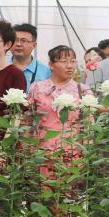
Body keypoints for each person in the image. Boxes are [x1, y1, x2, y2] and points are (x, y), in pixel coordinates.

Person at [26, 45, 91, 177]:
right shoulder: (37, 88)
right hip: (42, 154)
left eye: (73, 61)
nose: (70, 66)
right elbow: (28, 121)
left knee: (69, 188)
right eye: (64, 61)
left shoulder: (82, 90)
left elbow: (89, 124)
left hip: (72, 155)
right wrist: (26, 151)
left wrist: (86, 155)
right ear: (51, 64)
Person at [11, 23, 51, 90]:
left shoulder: (46, 72)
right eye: (15, 40)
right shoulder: (1, 68)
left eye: (23, 41)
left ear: (34, 45)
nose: (18, 44)